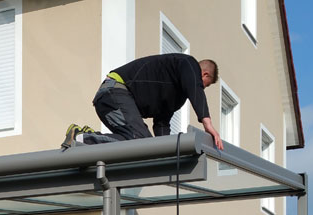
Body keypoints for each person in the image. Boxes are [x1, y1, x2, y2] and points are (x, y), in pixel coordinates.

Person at [72, 54, 224, 150]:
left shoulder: (176, 98)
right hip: (114, 91)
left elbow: (162, 124)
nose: (203, 88)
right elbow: (194, 86)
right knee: (141, 141)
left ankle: (86, 139)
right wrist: (207, 123)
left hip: (114, 99)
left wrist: (165, 151)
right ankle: (81, 138)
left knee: (144, 146)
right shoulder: (188, 63)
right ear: (204, 74)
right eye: (206, 84)